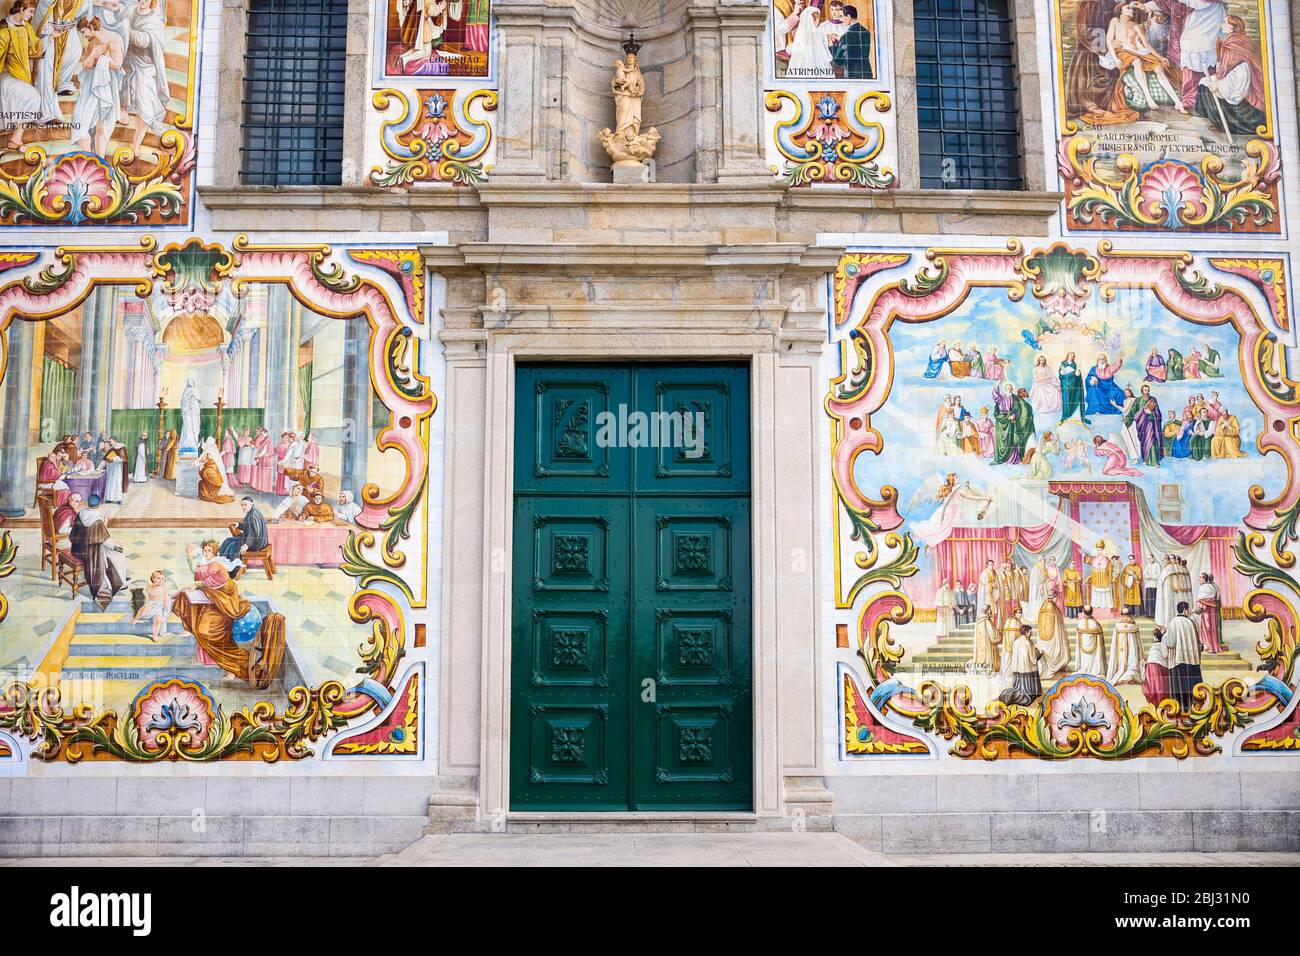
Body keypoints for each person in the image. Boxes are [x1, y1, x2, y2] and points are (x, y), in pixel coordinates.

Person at [70, 16, 125, 156]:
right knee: (79, 121)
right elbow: (86, 64)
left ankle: (99, 161)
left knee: (101, 126)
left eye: (84, 32)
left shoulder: (113, 40)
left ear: (92, 28)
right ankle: (90, 158)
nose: (84, 35)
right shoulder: (90, 43)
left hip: (105, 84)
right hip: (90, 84)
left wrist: (100, 59)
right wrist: (94, 55)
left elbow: (118, 65)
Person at [122, 0, 168, 157]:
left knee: (144, 106)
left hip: (145, 65)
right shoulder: (130, 11)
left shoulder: (154, 19)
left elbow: (147, 41)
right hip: (126, 60)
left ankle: (136, 145)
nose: (142, 1)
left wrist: (129, 32)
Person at [70, 493, 127, 609]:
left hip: (78, 549)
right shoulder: (98, 520)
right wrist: (116, 545)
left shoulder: (81, 514)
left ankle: (119, 579)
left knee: (111, 552)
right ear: (99, 505)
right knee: (117, 552)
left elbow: (77, 534)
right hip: (92, 553)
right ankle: (120, 582)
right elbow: (107, 543)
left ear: (87, 503)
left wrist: (104, 525)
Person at [0, 0, 43, 155]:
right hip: (5, 75)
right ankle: (15, 139)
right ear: (21, 9)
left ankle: (15, 140)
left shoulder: (26, 27)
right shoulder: (4, 29)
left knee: (32, 97)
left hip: (20, 76)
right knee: (32, 97)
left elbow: (35, 46)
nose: (32, 15)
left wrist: (51, 36)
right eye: (30, 11)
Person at [1166, 601, 1203, 710]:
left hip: (1179, 661)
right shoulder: (1191, 622)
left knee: (1180, 688)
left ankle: (1180, 709)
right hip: (1192, 661)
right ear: (1186, 610)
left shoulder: (1173, 622)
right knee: (1192, 687)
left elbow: (1170, 643)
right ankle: (1195, 707)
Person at [784, 0, 834, 78]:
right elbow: (826, 51)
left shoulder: (800, 34)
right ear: (814, 20)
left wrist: (789, 47)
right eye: (818, 19)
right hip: (818, 64)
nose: (818, 21)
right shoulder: (820, 34)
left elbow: (794, 49)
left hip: (803, 64)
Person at [997, 625, 1043, 705]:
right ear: (1026, 632)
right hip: (1027, 671)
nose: (1030, 634)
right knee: (1027, 694)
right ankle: (1020, 697)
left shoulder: (1016, 642)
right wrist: (1040, 654)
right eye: (1030, 632)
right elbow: (1033, 660)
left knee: (1018, 688)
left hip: (1017, 670)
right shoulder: (1028, 642)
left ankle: (1007, 696)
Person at [1036, 577, 1071, 678]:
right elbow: (1058, 627)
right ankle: (1054, 668)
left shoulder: (1043, 606)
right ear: (1054, 597)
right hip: (1052, 638)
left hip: (1043, 639)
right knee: (1057, 651)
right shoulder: (1054, 609)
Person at [218, 497, 269, 565]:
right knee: (228, 540)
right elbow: (249, 528)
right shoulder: (251, 513)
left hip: (257, 543)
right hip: (252, 539)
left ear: (251, 504)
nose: (243, 507)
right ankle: (221, 560)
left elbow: (255, 533)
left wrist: (247, 545)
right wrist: (239, 525)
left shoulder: (253, 515)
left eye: (245, 504)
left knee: (232, 545)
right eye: (242, 505)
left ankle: (231, 566)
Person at [830, 3, 872, 79]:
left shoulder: (846, 36)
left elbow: (838, 61)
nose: (840, 19)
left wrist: (832, 45)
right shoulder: (866, 32)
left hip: (852, 74)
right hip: (867, 72)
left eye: (841, 16)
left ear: (849, 17)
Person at [132, 569, 170, 642]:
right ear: (153, 579)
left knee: (158, 621)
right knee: (145, 607)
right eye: (158, 578)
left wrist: (166, 603)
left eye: (162, 578)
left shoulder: (163, 588)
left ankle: (154, 635)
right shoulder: (150, 587)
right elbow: (147, 597)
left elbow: (166, 597)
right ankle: (136, 618)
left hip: (159, 606)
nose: (160, 580)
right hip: (151, 604)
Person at [1107, 613, 1143, 684]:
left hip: (1121, 650)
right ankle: (1130, 676)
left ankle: (1123, 677)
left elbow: (1114, 642)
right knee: (1132, 662)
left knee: (1121, 664)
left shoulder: (1118, 626)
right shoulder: (1134, 625)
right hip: (1132, 650)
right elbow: (1139, 641)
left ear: (1122, 615)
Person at [1058, 352, 1091, 426]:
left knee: (1075, 399)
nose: (1072, 357)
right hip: (1065, 385)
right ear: (1068, 355)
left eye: (1073, 356)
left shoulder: (1074, 365)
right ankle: (1065, 417)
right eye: (1071, 355)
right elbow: (1060, 376)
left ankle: (1076, 417)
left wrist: (1077, 372)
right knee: (1067, 400)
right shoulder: (1063, 363)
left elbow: (1077, 376)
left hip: (1074, 385)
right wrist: (1062, 372)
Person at [1195, 572, 1224, 653]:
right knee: (1213, 629)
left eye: (1200, 577)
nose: (1199, 579)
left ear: (1204, 579)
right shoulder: (1213, 586)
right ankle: (1213, 646)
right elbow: (1217, 599)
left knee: (1207, 628)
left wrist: (1195, 609)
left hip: (1206, 612)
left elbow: (1200, 602)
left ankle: (1209, 646)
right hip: (1213, 612)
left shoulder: (1203, 588)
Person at [1142, 625, 1171, 706]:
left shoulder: (1154, 646)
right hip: (1161, 665)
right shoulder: (1163, 645)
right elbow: (1165, 655)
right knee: (1160, 684)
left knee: (1154, 684)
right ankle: (1161, 700)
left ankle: (1156, 700)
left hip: (1152, 665)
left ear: (1155, 637)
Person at [1076, 605, 1107, 676]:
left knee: (1085, 659)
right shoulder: (1095, 624)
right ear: (1091, 612)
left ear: (1083, 612)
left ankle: (1085, 669)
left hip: (1083, 648)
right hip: (1094, 649)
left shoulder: (1080, 623)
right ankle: (1094, 669)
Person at [971, 605, 1000, 672]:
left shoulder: (978, 621)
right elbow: (993, 636)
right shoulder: (987, 621)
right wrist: (999, 634)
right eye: (989, 610)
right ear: (987, 611)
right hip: (988, 645)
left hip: (980, 645)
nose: (991, 611)